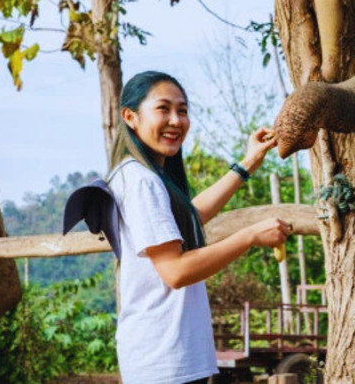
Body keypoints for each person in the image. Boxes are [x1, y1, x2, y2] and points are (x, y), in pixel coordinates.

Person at [108, 70, 292, 384]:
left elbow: (188, 215)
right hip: (163, 361)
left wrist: (247, 164)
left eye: (182, 110)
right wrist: (249, 236)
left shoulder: (140, 175)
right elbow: (175, 271)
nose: (176, 120)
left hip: (166, 358)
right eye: (163, 109)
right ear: (130, 116)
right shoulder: (141, 181)